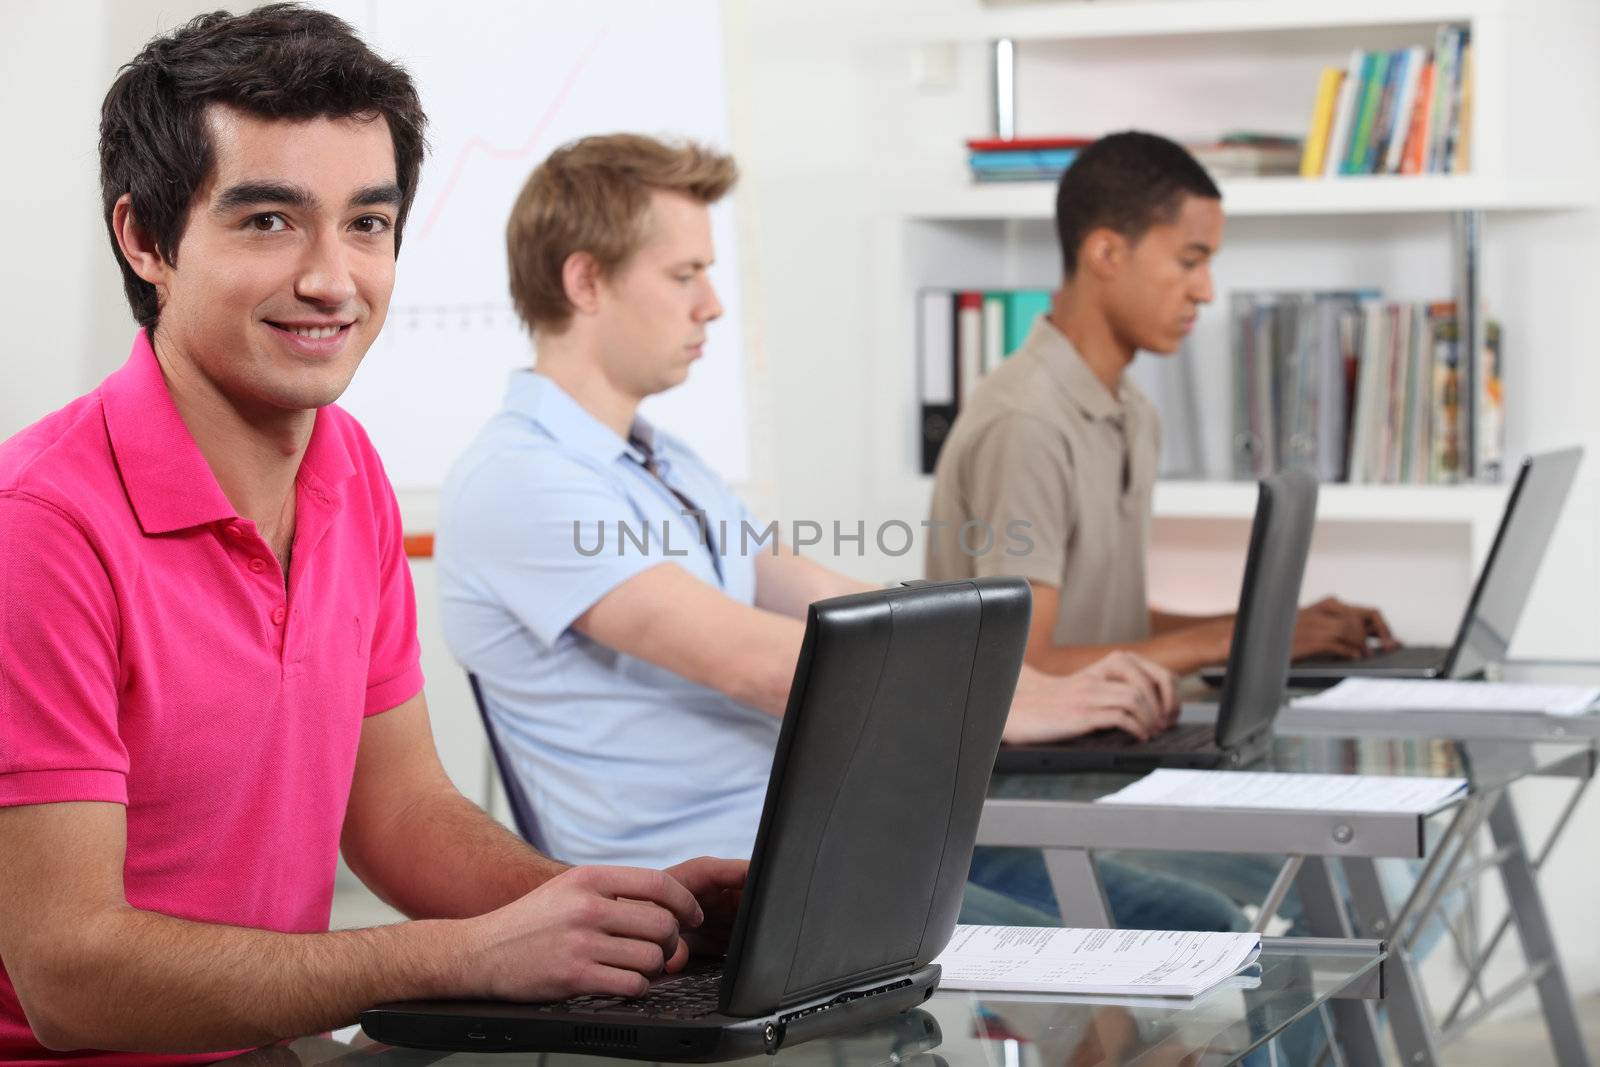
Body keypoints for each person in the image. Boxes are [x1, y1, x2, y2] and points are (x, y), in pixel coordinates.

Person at [0, 8, 744, 1060]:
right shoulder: (38, 529)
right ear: (147, 239)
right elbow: (69, 979)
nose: (332, 278)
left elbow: (397, 812)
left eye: (366, 222)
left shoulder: (347, 466)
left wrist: (623, 912)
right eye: (268, 221)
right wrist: (456, 953)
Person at [436, 132, 1246, 934]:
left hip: (835, 840)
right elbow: (755, 659)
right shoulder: (522, 479)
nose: (710, 302)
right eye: (685, 274)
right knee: (1138, 951)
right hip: (719, 893)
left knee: (1199, 923)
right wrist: (998, 708)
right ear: (585, 281)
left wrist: (1039, 684)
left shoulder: (660, 460)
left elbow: (820, 594)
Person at [926, 130, 1396, 678]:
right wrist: (1233, 641)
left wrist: (1268, 628)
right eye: (1190, 261)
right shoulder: (1026, 422)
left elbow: (1101, 629)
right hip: (1019, 757)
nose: (1206, 290)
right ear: (1105, 253)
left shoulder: (1132, 408)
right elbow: (1026, 668)